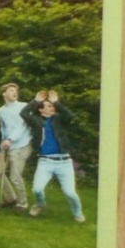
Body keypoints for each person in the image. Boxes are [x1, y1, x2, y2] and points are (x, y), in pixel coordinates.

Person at [20, 90, 86, 222]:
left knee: (70, 193)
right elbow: (24, 113)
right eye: (49, 106)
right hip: (45, 162)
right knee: (37, 189)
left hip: (64, 162)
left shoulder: (59, 120)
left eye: (53, 105)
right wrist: (35, 101)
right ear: (41, 110)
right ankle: (40, 204)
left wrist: (56, 102)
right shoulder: (36, 121)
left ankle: (78, 213)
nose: (53, 107)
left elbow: (69, 115)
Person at [0, 82, 33, 211]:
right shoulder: (0, 111)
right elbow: (4, 127)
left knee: (15, 177)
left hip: (22, 144)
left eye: (15, 91)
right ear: (4, 94)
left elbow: (23, 125)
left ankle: (22, 203)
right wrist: (2, 142)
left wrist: (10, 139)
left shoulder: (24, 106)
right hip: (7, 145)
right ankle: (10, 198)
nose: (14, 92)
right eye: (11, 90)